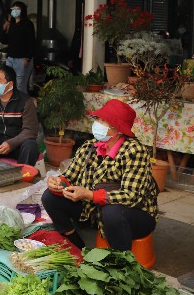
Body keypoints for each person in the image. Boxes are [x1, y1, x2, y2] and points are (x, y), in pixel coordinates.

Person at [41, 99, 159, 251]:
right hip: (95, 211)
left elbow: (132, 196)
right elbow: (69, 176)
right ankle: (76, 246)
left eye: (104, 121)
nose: (97, 123)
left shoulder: (135, 151)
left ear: (118, 129)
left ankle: (121, 261)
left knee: (112, 213)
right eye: (98, 119)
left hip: (136, 215)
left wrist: (90, 195)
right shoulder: (89, 147)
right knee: (49, 197)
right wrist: (58, 182)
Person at [0, 1, 35, 94]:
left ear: (22, 10)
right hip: (10, 58)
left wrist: (28, 57)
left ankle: (22, 106)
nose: (14, 11)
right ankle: (12, 104)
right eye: (13, 9)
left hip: (22, 59)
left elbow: (31, 41)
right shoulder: (12, 24)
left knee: (20, 85)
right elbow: (4, 40)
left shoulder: (27, 24)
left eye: (17, 9)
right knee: (9, 83)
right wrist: (4, 29)